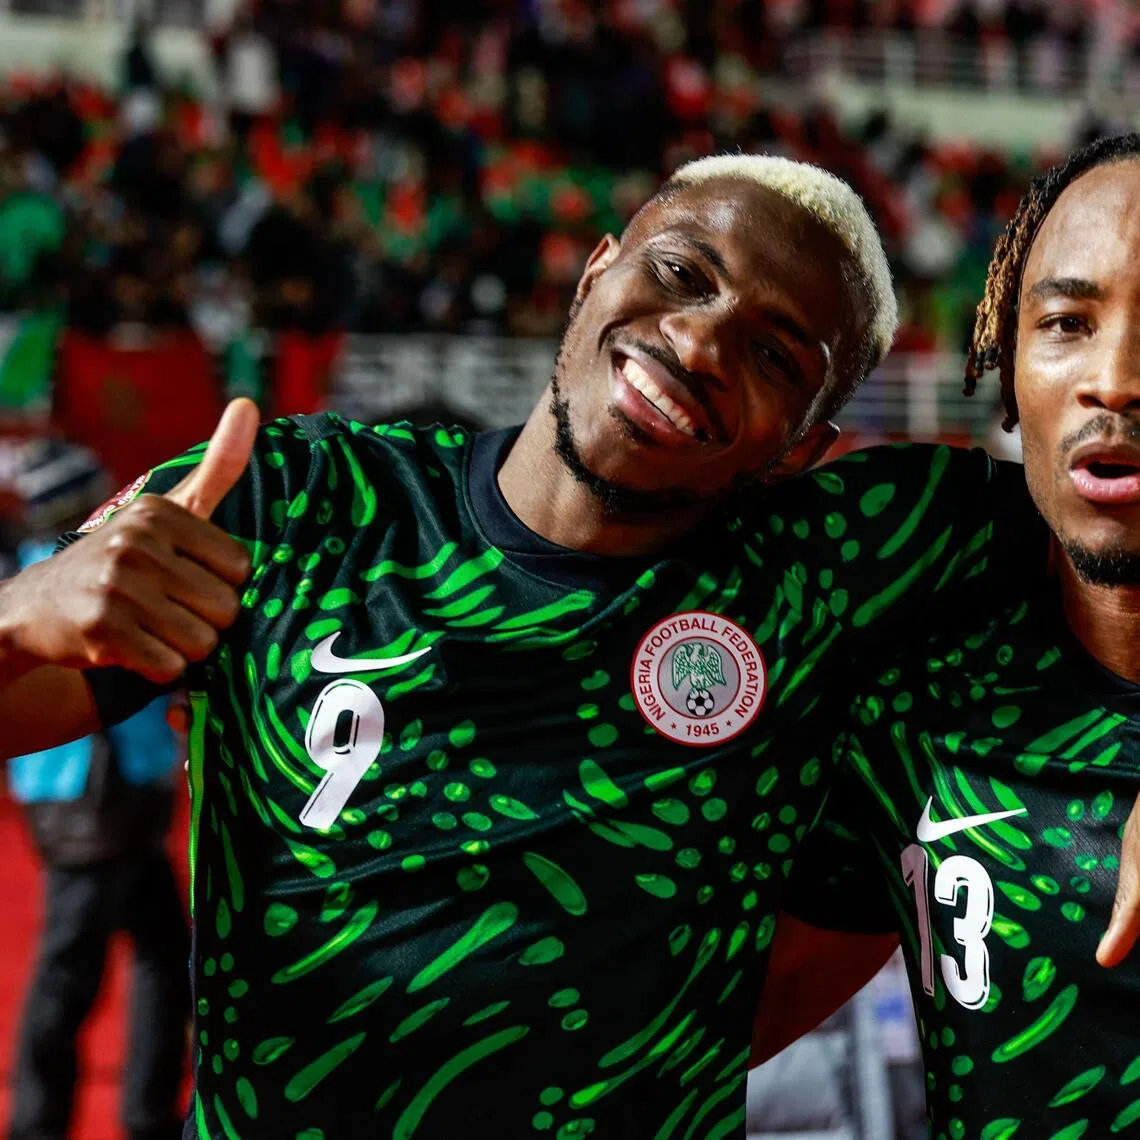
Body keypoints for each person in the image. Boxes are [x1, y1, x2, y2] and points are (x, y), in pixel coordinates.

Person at [0, 152, 1116, 1137]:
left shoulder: (845, 557)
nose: (696, 342)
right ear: (594, 271)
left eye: (776, 356)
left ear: (802, 446)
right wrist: (24, 609)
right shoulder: (296, 500)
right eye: (682, 274)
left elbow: (1109, 502)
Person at [753, 133, 1140, 1136]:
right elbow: (691, 1031)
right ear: (1008, 373)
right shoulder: (919, 705)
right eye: (1066, 321)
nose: (1116, 379)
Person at [5, 441, 188, 1140]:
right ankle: (37, 1125)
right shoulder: (56, 579)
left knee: (165, 960)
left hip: (122, 802)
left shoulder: (90, 569)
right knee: (71, 972)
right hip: (91, 804)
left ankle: (146, 1115)